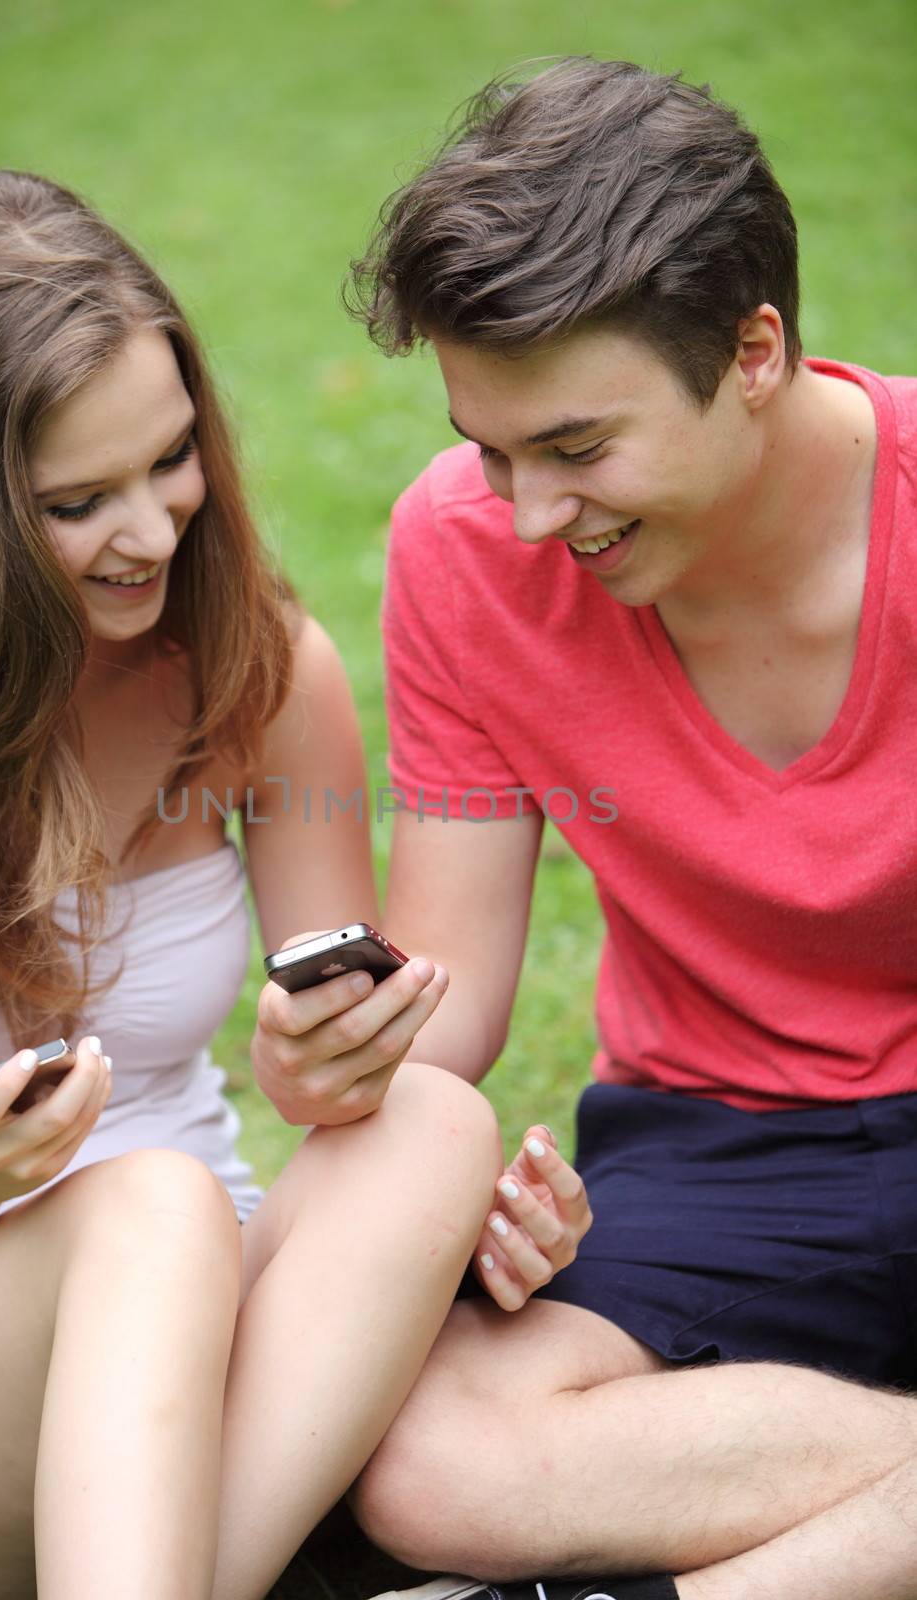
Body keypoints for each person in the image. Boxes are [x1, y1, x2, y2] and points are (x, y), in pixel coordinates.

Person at [252, 57, 917, 1600]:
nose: (529, 514)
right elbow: (454, 990)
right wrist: (347, 1065)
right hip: (724, 1138)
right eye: (491, 448)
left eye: (576, 447)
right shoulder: (465, 553)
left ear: (754, 350)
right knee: (429, 1462)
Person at [0, 168, 513, 1600]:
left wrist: (322, 1061)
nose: (153, 531)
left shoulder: (258, 670)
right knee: (150, 1208)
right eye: (77, 501)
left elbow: (338, 1085)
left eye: (171, 461)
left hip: (216, 1336)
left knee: (434, 1127)